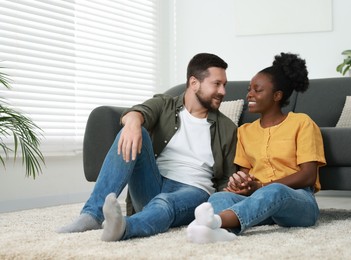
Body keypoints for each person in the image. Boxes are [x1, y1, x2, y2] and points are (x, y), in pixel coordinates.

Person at [57, 53, 237, 241]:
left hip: (194, 190)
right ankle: (92, 214)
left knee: (165, 202)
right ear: (194, 83)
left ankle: (125, 227)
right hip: (152, 183)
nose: (223, 91)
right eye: (217, 84)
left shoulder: (227, 128)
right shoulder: (165, 104)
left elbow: (227, 180)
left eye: (224, 85)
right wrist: (133, 123)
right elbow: (136, 113)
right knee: (135, 131)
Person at [187, 52, 327, 244]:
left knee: (275, 190)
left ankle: (217, 222)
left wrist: (261, 187)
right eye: (249, 89)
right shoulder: (244, 131)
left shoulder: (302, 123)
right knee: (220, 197)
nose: (249, 94)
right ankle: (222, 234)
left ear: (277, 96)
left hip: (297, 202)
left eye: (257, 90)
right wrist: (241, 184)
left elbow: (308, 175)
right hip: (259, 204)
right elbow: (245, 174)